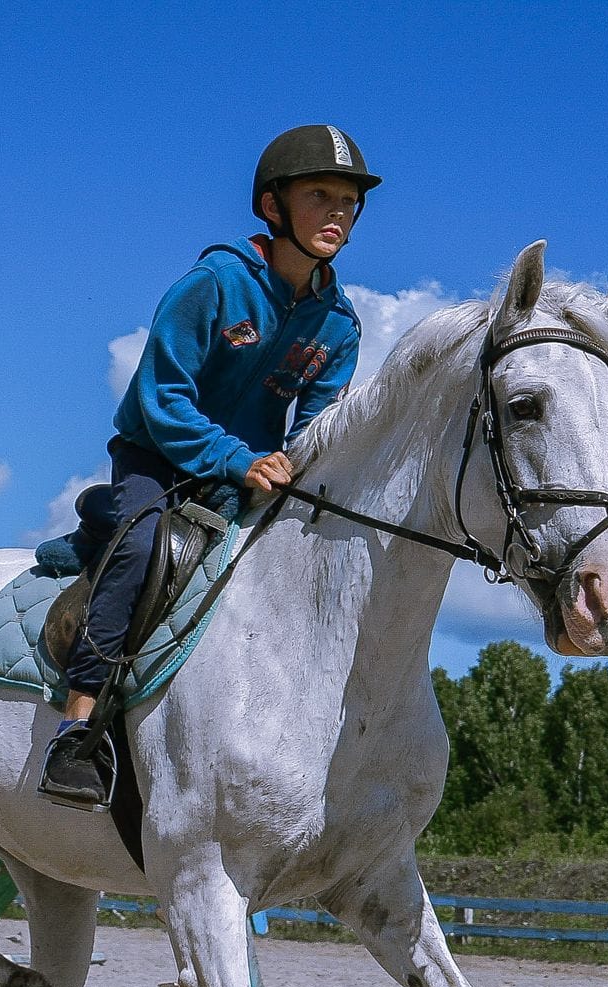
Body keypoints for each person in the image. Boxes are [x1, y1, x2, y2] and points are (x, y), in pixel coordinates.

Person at [39, 125, 377, 808]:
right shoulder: (215, 281)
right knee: (139, 545)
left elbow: (313, 429)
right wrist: (237, 458)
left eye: (349, 200)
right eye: (320, 195)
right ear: (273, 204)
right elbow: (160, 398)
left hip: (251, 477)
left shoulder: (339, 325)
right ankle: (78, 729)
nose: (338, 212)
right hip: (155, 461)